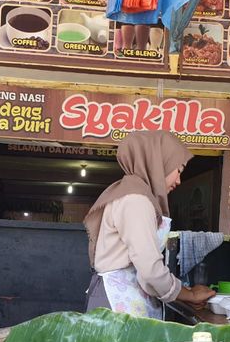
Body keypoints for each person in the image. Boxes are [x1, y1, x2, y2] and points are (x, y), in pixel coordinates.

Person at [84, 130, 215, 319]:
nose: (179, 180)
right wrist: (189, 294)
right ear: (159, 163)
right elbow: (150, 271)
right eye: (178, 170)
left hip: (122, 300)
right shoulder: (136, 200)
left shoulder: (132, 194)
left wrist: (181, 294)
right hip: (118, 306)